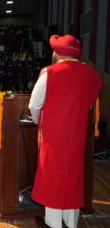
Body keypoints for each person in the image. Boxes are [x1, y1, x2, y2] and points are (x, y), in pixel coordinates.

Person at [28, 35, 103, 228]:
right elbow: (88, 106)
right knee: (72, 177)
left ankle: (53, 224)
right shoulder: (90, 74)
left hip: (53, 136)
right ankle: (71, 222)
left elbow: (34, 105)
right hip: (77, 137)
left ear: (58, 52)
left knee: (53, 177)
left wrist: (39, 121)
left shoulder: (50, 73)